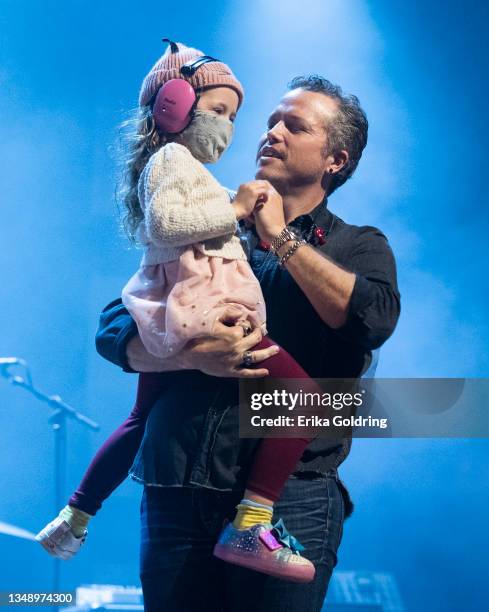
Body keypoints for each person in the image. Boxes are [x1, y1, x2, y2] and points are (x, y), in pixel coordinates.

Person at [95, 68, 401, 610]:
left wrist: (279, 240)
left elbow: (369, 319)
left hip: (291, 499)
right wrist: (187, 351)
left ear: (337, 160)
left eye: (294, 126)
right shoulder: (209, 222)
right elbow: (116, 322)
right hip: (177, 489)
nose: (271, 133)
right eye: (270, 121)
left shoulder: (359, 245)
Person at [35, 40, 331, 582]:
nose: (230, 127)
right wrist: (237, 207)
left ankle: (75, 516)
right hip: (209, 307)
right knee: (305, 399)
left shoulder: (185, 169)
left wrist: (247, 222)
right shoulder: (170, 160)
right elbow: (167, 224)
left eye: (232, 116)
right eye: (219, 111)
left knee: (138, 418)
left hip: (184, 307)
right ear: (172, 105)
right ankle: (253, 521)